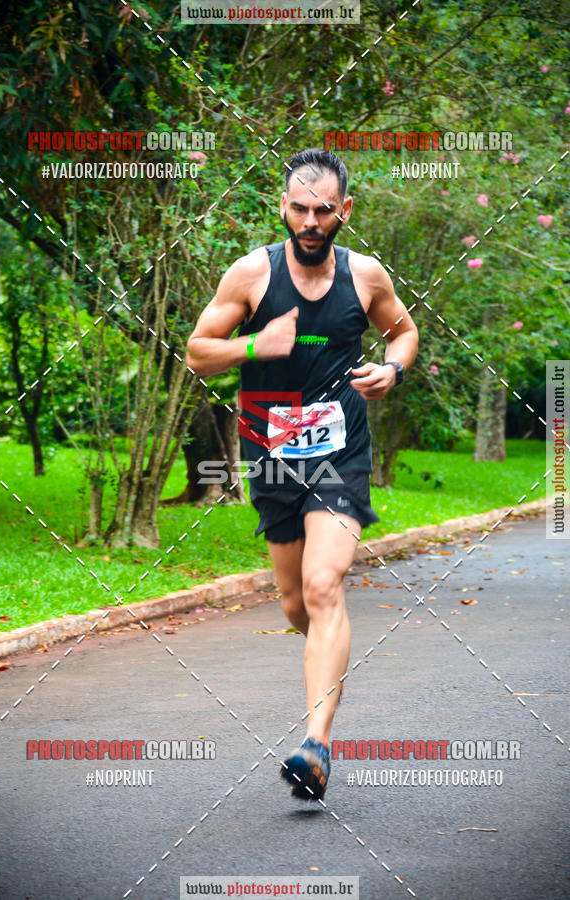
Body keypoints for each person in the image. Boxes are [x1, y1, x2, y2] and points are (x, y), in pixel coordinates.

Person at [186, 148, 418, 800]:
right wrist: (257, 345)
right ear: (282, 207)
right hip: (272, 460)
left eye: (323, 210)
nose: (310, 221)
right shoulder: (251, 274)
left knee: (323, 586)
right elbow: (198, 352)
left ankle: (316, 745)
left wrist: (392, 369)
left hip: (339, 455)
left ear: (344, 211)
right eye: (299, 209)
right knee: (297, 606)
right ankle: (323, 671)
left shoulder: (365, 276)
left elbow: (404, 331)